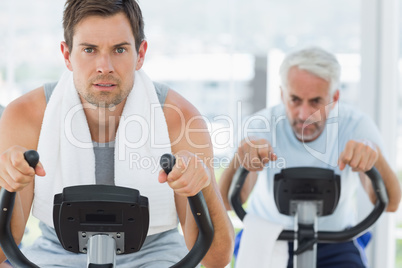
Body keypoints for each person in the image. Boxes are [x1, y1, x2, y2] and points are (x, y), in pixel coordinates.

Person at [0, 0, 234, 267]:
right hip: (58, 253)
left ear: (141, 53)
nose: (104, 66)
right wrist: (3, 182)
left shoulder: (180, 119)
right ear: (67, 55)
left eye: (119, 49)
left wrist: (202, 184)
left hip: (154, 255)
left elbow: (216, 260)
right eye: (89, 49)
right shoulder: (25, 116)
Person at [219, 47, 401, 267]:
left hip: (335, 241)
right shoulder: (260, 126)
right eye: (295, 100)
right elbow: (228, 202)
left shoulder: (355, 125)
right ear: (282, 94)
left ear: (334, 97)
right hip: (270, 238)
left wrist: (375, 158)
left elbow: (389, 203)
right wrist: (240, 158)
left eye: (316, 102)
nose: (304, 115)